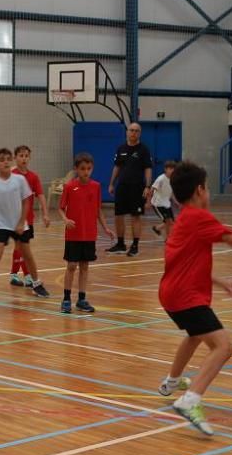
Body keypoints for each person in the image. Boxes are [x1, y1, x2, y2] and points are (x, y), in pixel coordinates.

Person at [157, 161, 232, 436]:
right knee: (224, 347)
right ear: (200, 189)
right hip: (186, 296)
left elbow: (184, 260)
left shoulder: (184, 220)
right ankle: (190, 401)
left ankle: (171, 382)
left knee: (194, 336)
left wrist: (220, 281)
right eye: (207, 188)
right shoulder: (199, 217)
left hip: (171, 294)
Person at [0, 148, 50, 298]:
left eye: (7, 159)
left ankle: (36, 284)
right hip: (2, 224)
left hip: (19, 223)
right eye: (1, 159)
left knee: (27, 254)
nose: (5, 161)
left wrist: (20, 222)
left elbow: (26, 202)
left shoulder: (19, 180)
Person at [58, 153, 114, 314]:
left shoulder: (96, 187)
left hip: (89, 234)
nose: (86, 172)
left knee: (84, 266)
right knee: (71, 265)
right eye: (83, 169)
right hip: (73, 234)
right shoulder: (69, 187)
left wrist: (105, 228)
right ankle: (66, 298)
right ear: (76, 169)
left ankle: (82, 299)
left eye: (89, 169)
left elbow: (98, 210)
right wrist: (65, 219)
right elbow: (61, 208)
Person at [107, 122, 153, 257]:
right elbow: (117, 167)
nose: (133, 133)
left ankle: (135, 245)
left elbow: (148, 169)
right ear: (127, 132)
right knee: (118, 216)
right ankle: (120, 244)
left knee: (135, 216)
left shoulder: (144, 150)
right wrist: (111, 184)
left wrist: (147, 186)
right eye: (131, 130)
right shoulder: (121, 148)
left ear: (140, 133)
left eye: (136, 131)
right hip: (122, 187)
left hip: (137, 187)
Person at [9, 145, 50, 288]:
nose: (24, 158)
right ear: (15, 158)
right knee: (22, 246)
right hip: (15, 219)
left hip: (29, 218)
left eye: (26, 156)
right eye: (21, 156)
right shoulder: (11, 175)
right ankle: (27, 276)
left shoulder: (33, 177)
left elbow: (40, 195)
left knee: (21, 246)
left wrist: (45, 213)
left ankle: (15, 275)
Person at [147, 160, 177, 241]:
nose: (172, 170)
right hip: (158, 204)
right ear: (165, 169)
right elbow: (151, 190)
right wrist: (148, 202)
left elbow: (172, 192)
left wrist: (176, 202)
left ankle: (157, 228)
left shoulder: (173, 180)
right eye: (170, 168)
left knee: (171, 222)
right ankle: (168, 238)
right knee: (168, 221)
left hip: (166, 203)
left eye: (173, 169)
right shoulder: (160, 179)